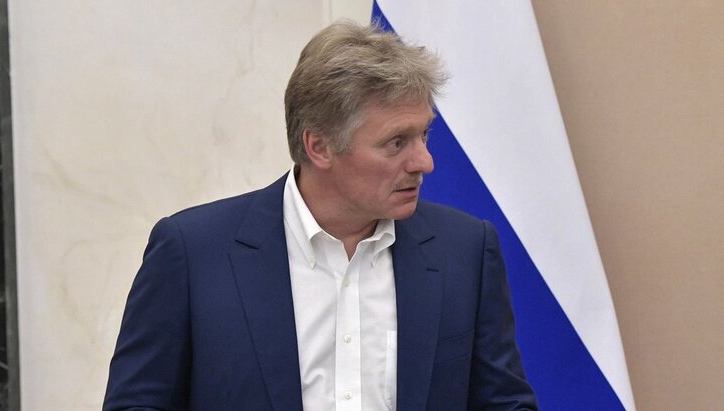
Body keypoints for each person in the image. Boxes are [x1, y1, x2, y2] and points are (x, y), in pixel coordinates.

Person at [104, 20, 538, 411]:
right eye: (396, 142)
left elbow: (504, 403)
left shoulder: (464, 249)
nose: (424, 161)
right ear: (319, 147)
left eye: (423, 134)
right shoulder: (194, 252)